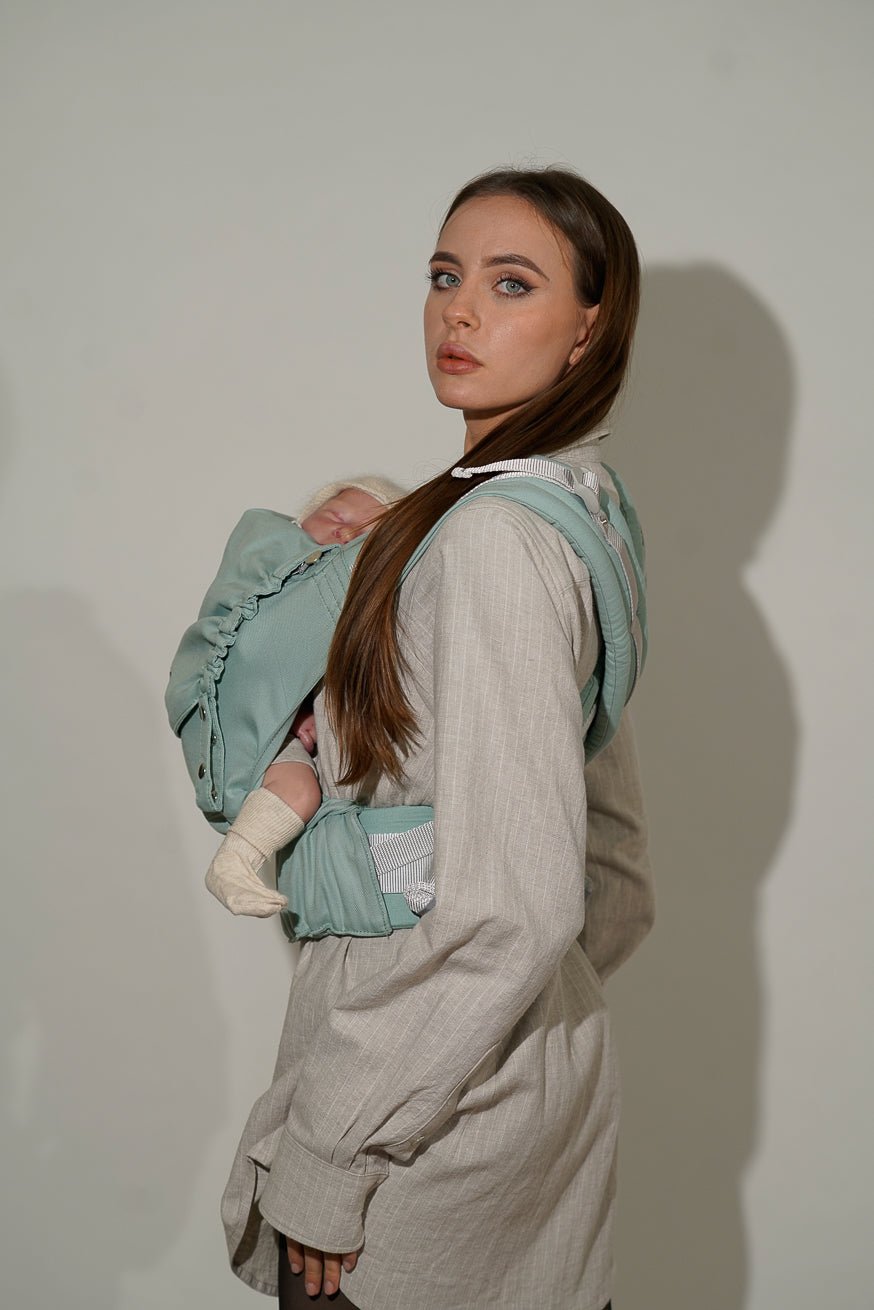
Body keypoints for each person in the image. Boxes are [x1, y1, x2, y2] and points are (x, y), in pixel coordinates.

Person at [217, 165, 654, 1309]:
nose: (458, 311)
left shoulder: (491, 541)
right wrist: (507, 1028)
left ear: (586, 328)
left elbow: (517, 909)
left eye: (511, 283)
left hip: (415, 1162)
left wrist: (337, 1141)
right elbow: (611, 870)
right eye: (444, 275)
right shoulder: (579, 511)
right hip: (519, 1124)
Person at [203, 477, 405, 920]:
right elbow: (261, 651)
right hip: (225, 704)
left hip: (280, 723)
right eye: (337, 516)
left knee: (297, 788)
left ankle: (237, 860)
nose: (345, 534)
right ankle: (235, 859)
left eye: (365, 536)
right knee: (299, 789)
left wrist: (306, 706)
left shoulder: (342, 603)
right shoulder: (274, 561)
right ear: (304, 516)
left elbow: (316, 660)